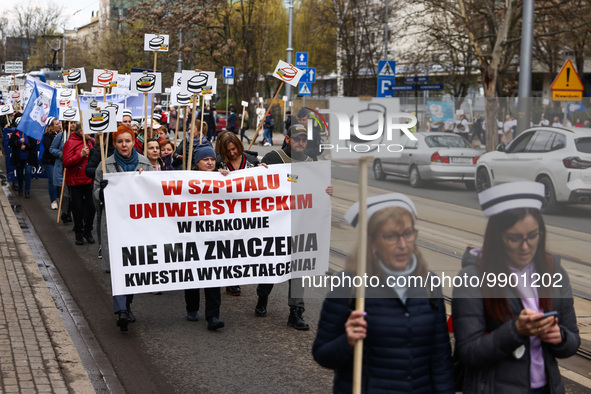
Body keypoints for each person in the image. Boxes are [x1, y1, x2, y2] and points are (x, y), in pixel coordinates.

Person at [313, 193, 454, 393]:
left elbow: (440, 360)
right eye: (391, 236)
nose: (403, 244)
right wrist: (347, 341)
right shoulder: (349, 284)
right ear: (372, 242)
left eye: (408, 233)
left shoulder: (429, 283)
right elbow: (322, 353)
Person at [452, 181, 580, 393]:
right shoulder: (472, 277)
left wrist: (561, 337)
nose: (525, 246)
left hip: (546, 388)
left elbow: (572, 338)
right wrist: (516, 331)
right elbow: (469, 351)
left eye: (533, 236)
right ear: (497, 237)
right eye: (514, 238)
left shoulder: (553, 272)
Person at [255, 124, 333, 330]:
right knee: (272, 266)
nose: (300, 143)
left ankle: (296, 311)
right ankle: (262, 297)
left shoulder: (311, 162)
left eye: (303, 140)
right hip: (275, 225)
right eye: (297, 139)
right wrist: (258, 172)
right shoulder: (273, 158)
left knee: (297, 267)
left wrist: (326, 191)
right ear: (288, 139)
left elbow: (316, 191)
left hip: (300, 225)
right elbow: (258, 188)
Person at [93, 125, 154, 331]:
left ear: (134, 141)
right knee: (119, 267)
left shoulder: (145, 163)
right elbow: (95, 194)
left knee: (132, 266)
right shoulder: (105, 164)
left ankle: (127, 305)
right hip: (115, 223)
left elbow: (156, 194)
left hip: (138, 225)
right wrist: (101, 192)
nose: (124, 145)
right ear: (114, 144)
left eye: (127, 141)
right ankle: (120, 310)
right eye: (120, 141)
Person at [184, 142, 228, 330]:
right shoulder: (186, 179)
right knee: (193, 272)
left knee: (213, 275)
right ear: (197, 163)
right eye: (205, 159)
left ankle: (213, 316)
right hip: (193, 235)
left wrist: (228, 177)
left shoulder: (222, 177)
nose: (210, 163)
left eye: (212, 159)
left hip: (214, 236)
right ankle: (192, 308)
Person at [216, 132, 265, 296]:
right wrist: (216, 175)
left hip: (248, 213)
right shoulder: (218, 162)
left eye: (234, 149)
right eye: (227, 151)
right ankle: (232, 280)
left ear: (239, 145)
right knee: (230, 247)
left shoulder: (251, 161)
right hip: (226, 213)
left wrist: (264, 171)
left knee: (244, 246)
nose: (231, 153)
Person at [62, 122, 96, 245]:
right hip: (75, 181)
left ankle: (88, 230)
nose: (90, 133)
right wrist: (80, 155)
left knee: (91, 207)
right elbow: (66, 162)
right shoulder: (70, 143)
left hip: (89, 180)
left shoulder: (91, 142)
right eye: (88, 130)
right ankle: (79, 234)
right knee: (78, 208)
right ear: (81, 131)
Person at [85, 132, 115, 261]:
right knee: (101, 217)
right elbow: (88, 170)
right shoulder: (98, 150)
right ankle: (102, 245)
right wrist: (103, 173)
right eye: (117, 140)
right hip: (102, 190)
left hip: (118, 193)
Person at [49, 122, 73, 223]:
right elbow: (51, 149)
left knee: (73, 193)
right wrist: (62, 154)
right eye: (71, 123)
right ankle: (65, 212)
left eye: (75, 122)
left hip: (74, 168)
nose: (73, 125)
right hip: (62, 168)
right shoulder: (61, 135)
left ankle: (71, 213)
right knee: (65, 192)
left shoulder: (81, 136)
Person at [9, 127, 39, 198]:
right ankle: (20, 189)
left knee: (28, 172)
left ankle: (27, 190)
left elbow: (34, 144)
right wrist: (19, 141)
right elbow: (10, 143)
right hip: (18, 158)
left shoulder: (31, 133)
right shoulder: (16, 133)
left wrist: (26, 145)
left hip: (29, 158)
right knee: (19, 173)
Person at [41, 117, 61, 208]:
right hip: (49, 161)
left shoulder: (62, 135)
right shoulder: (47, 136)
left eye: (59, 123)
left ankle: (59, 198)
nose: (59, 125)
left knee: (60, 181)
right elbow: (49, 148)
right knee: (52, 181)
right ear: (52, 126)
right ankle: (53, 200)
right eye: (57, 124)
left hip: (59, 161)